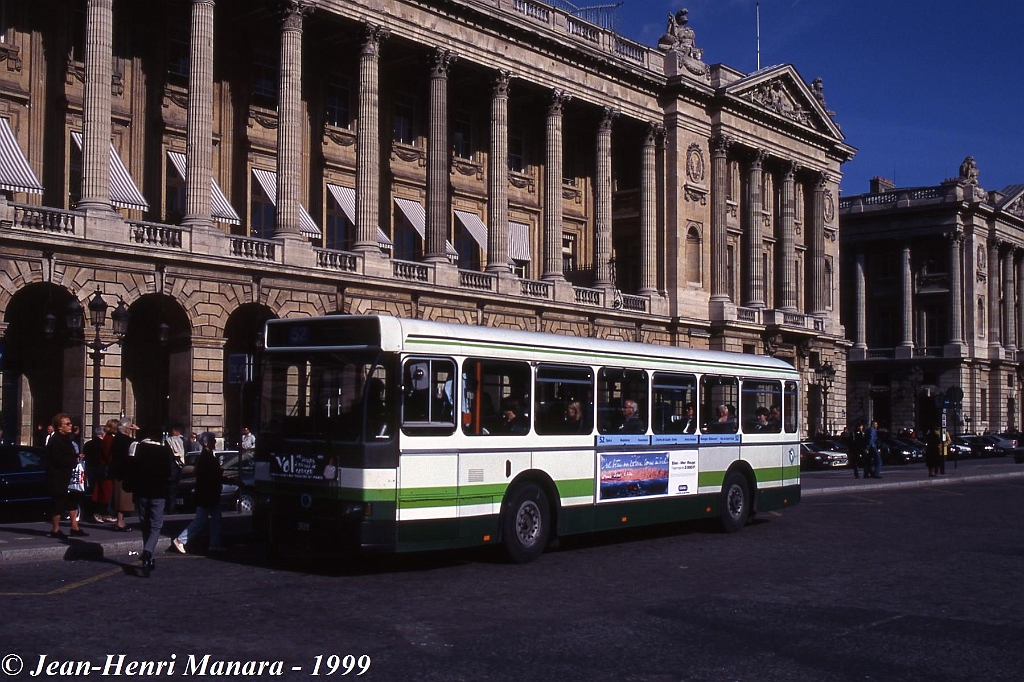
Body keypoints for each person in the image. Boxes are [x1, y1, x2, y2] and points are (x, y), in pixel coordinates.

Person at [126, 432, 176, 574]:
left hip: (142, 492)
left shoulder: (138, 448)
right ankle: (148, 551)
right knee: (156, 526)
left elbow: (132, 470)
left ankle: (149, 557)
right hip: (158, 493)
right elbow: (169, 473)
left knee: (145, 525)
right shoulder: (165, 450)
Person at [172, 432, 230, 555]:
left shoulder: (206, 456)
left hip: (207, 492)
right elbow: (211, 476)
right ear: (206, 442)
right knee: (202, 520)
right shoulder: (207, 457)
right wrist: (223, 476)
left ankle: (214, 543)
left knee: (214, 518)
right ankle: (181, 540)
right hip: (208, 493)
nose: (215, 442)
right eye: (213, 440)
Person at [45, 413, 87, 539]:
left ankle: (75, 527)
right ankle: (55, 529)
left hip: (68, 476)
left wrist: (76, 457)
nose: (70, 426)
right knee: (58, 503)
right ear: (59, 427)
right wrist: (73, 459)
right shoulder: (55, 440)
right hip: (58, 476)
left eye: (70, 423)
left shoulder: (67, 439)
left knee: (72, 501)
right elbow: (58, 459)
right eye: (67, 424)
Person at [107, 419, 137, 532]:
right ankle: (120, 522)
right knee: (123, 500)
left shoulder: (116, 440)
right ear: (127, 429)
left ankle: (121, 521)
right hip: (125, 473)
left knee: (120, 499)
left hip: (117, 472)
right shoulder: (128, 441)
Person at [83, 426, 110, 523]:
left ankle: (89, 513)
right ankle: (100, 512)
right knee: (99, 492)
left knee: (90, 491)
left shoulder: (88, 444)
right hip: (99, 470)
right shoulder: (102, 444)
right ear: (102, 434)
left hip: (89, 469)